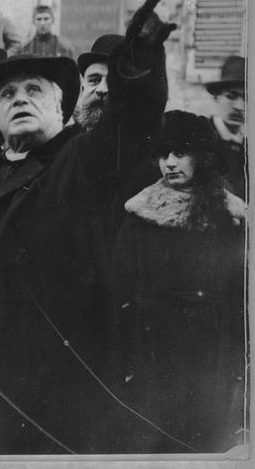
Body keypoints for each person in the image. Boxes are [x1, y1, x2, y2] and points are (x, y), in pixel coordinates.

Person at [0, 0, 176, 454]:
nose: (19, 99)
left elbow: (132, 120)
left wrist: (139, 61)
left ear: (61, 107)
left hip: (48, 392)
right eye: (7, 94)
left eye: (33, 90)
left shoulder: (81, 159)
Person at [110, 110, 246, 453]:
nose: (170, 163)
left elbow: (240, 288)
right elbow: (122, 282)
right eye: (163, 154)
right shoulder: (142, 213)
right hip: (154, 340)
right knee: (156, 432)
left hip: (213, 344)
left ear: (201, 157)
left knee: (207, 431)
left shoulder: (231, 216)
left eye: (180, 153)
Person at [204, 54, 246, 198]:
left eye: (247, 98)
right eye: (231, 96)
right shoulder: (198, 138)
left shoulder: (247, 148)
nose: (239, 106)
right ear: (217, 96)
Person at [73, 34, 125, 130]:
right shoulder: (66, 142)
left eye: (113, 82)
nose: (102, 89)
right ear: (83, 88)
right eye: (94, 80)